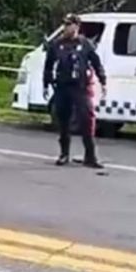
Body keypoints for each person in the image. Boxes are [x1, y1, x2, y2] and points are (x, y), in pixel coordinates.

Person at [43, 13, 107, 170]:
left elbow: (96, 63)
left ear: (77, 26)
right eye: (64, 24)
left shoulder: (85, 44)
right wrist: (46, 83)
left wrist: (103, 81)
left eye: (69, 24)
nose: (66, 27)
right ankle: (64, 154)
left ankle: (90, 156)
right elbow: (48, 65)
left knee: (86, 120)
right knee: (64, 121)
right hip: (62, 87)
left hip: (80, 87)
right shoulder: (57, 44)